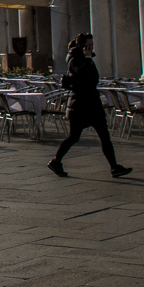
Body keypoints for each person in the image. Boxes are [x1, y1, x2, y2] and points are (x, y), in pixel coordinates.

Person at [48, 33, 132, 179]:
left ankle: (114, 167)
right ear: (81, 46)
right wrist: (87, 59)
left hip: (93, 104)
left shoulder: (88, 59)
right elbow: (82, 74)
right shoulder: (74, 59)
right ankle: (56, 161)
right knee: (73, 137)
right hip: (80, 105)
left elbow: (93, 79)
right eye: (88, 46)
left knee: (104, 136)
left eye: (92, 46)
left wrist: (88, 59)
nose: (91, 48)